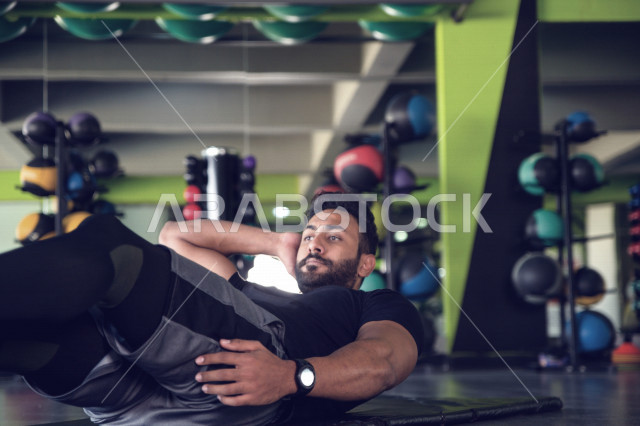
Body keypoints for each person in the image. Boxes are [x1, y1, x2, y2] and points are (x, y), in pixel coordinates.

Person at [0, 193, 424, 425]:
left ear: (365, 264)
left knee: (115, 247)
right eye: (310, 232)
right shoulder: (243, 291)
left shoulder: (373, 301)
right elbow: (176, 235)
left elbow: (386, 361)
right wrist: (276, 242)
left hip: (254, 375)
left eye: (333, 237)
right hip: (138, 404)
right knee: (37, 339)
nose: (314, 241)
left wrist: (292, 375)